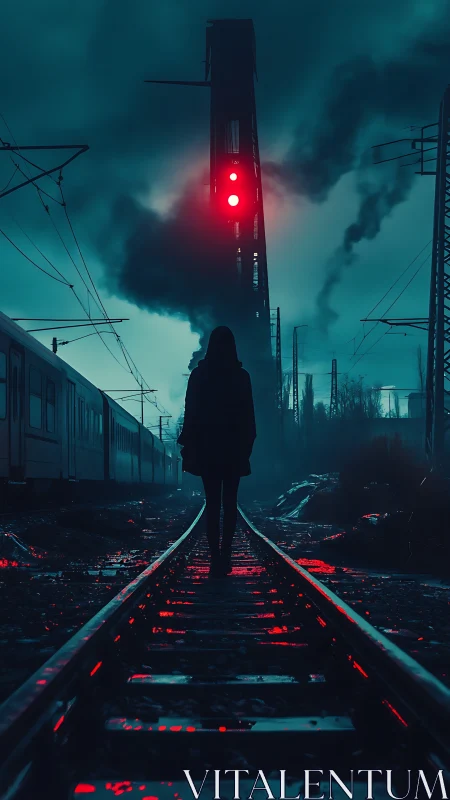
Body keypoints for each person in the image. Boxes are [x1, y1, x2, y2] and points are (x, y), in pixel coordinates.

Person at [177, 326, 256, 577]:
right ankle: (226, 552)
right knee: (230, 502)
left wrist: (189, 446)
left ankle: (214, 556)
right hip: (233, 451)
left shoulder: (199, 376)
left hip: (207, 450)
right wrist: (246, 448)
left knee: (212, 503)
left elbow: (190, 414)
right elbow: (249, 418)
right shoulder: (242, 377)